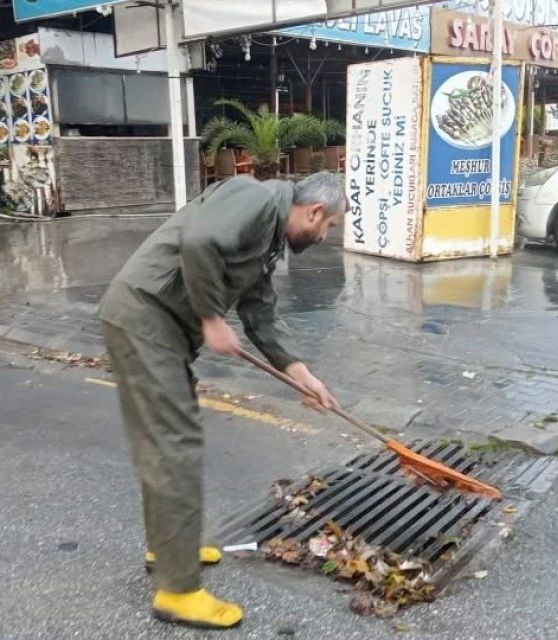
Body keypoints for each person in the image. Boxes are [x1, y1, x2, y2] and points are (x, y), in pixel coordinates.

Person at [98, 172, 346, 630]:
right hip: (144, 320)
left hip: (160, 327)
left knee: (168, 439)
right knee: (175, 444)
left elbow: (259, 309)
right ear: (313, 211)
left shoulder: (268, 232)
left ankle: (169, 547)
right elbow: (198, 240)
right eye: (328, 225)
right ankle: (178, 591)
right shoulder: (253, 197)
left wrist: (299, 372)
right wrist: (212, 317)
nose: (325, 235)